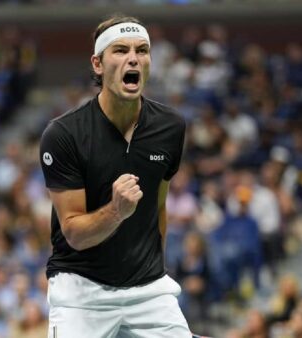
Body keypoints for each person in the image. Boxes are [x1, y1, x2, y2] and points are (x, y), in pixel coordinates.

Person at [39, 14, 190, 337]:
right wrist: (116, 211)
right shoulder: (64, 134)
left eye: (142, 50)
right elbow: (74, 234)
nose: (133, 58)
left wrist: (151, 270)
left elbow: (157, 209)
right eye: (120, 50)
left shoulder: (171, 127)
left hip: (148, 290)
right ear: (98, 64)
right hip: (81, 292)